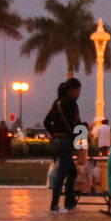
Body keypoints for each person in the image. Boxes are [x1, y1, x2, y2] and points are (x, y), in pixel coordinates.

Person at [45, 78, 84, 213]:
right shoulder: (72, 103)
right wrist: (81, 143)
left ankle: (69, 204)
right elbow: (78, 124)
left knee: (71, 172)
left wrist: (54, 133)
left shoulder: (57, 103)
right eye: (78, 91)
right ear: (73, 90)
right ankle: (54, 206)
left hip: (56, 142)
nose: (79, 94)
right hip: (66, 142)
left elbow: (46, 121)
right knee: (62, 173)